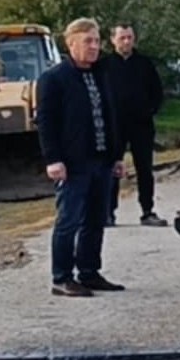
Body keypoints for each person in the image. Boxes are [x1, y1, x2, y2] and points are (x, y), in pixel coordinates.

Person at [36, 18, 126, 297]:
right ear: (71, 43)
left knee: (96, 220)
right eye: (88, 41)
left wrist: (117, 156)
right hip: (72, 163)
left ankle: (89, 272)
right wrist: (53, 159)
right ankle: (61, 277)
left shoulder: (102, 75)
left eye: (97, 41)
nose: (94, 46)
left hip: (101, 160)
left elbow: (112, 116)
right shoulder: (53, 79)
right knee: (69, 220)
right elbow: (47, 123)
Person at [105, 23, 167, 227]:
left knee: (144, 169)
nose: (126, 42)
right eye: (122, 38)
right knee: (112, 168)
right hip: (114, 126)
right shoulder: (104, 66)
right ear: (113, 40)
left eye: (129, 37)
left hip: (141, 125)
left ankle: (147, 211)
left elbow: (157, 92)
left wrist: (149, 110)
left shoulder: (144, 64)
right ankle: (108, 212)